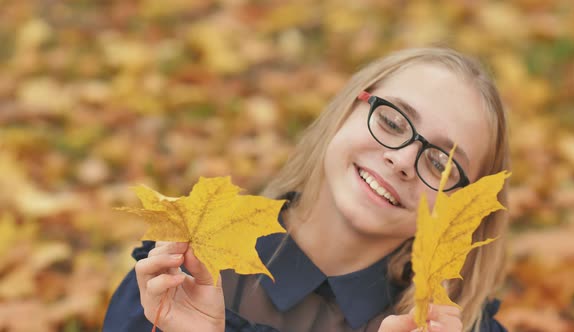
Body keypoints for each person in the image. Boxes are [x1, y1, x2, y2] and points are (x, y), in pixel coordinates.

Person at [103, 47, 510, 332]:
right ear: (348, 108)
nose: (402, 160)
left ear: (466, 209)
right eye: (392, 121)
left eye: (441, 164)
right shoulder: (186, 267)